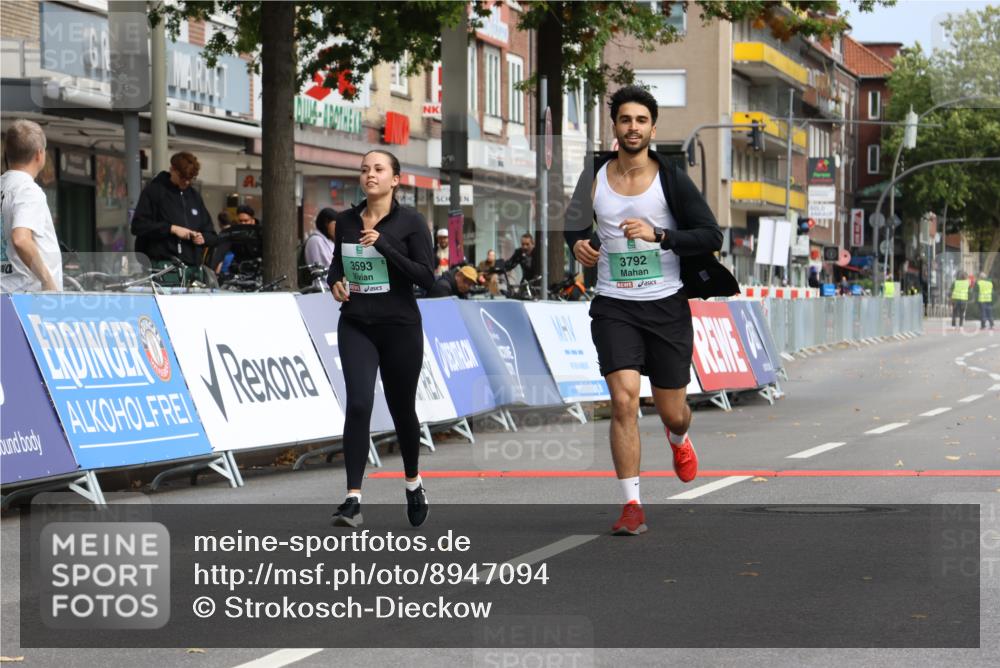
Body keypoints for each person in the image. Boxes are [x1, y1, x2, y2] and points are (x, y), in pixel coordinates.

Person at [564, 85, 739, 536]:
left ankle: (679, 438)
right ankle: (632, 505)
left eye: (641, 121)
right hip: (613, 306)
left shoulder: (671, 178)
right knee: (623, 401)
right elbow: (572, 223)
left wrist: (660, 235)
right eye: (626, 120)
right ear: (615, 127)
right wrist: (579, 245)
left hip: (665, 305)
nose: (633, 128)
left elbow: (710, 235)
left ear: (652, 128)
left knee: (672, 411)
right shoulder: (596, 175)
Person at [327, 150, 435, 528]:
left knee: (402, 408)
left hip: (400, 328)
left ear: (395, 179)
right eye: (364, 169)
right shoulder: (345, 221)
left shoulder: (411, 222)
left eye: (378, 169)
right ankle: (352, 499)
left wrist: (385, 246)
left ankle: (412, 482)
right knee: (358, 403)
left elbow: (427, 278)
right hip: (356, 323)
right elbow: (337, 267)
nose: (369, 174)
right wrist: (335, 284)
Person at [131, 151, 217, 276]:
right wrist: (171, 229)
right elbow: (138, 226)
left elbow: (211, 233)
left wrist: (202, 238)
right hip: (163, 267)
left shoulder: (194, 197)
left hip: (192, 269)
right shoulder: (154, 192)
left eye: (190, 179)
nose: (186, 182)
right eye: (182, 177)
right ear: (172, 170)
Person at [1, 119, 62, 292]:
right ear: (39, 154)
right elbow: (21, 239)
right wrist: (48, 282)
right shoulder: (27, 190)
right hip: (26, 299)